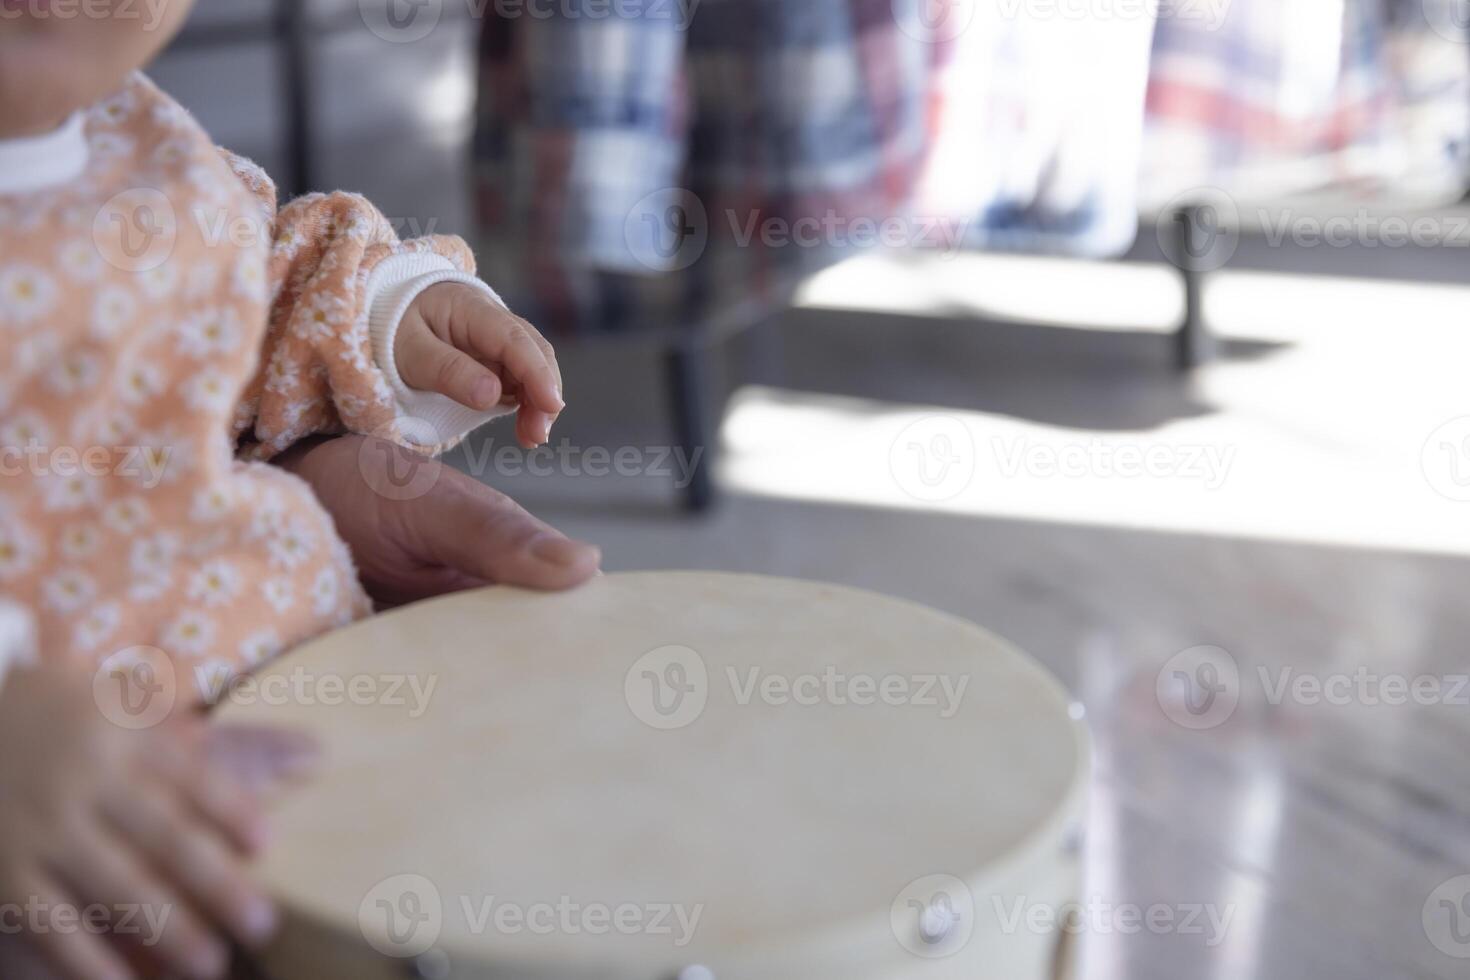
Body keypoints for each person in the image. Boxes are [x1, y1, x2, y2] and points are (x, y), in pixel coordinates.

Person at [0, 3, 601, 976]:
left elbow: (254, 297)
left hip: (288, 698)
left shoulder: (145, 143)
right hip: (69, 847)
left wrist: (388, 317)